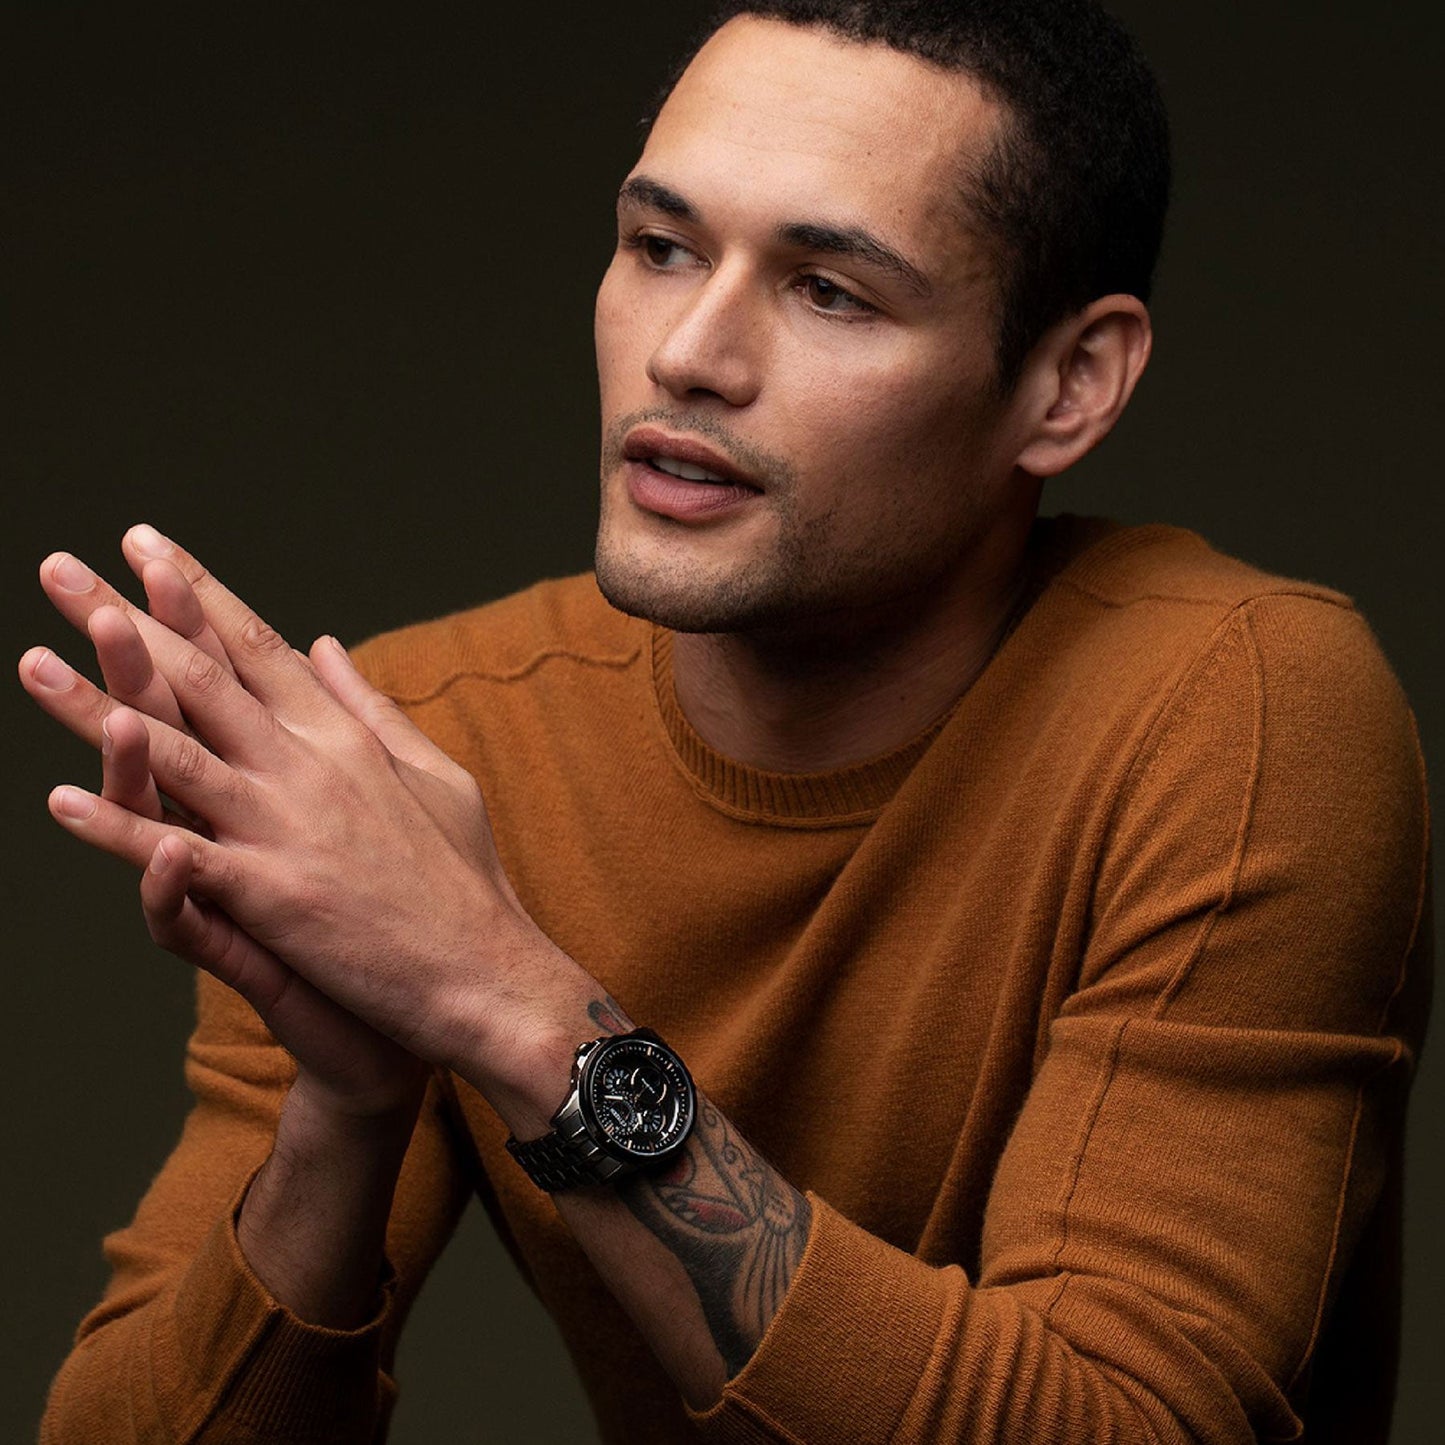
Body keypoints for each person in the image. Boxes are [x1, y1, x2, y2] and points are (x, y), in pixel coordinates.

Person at [21, 2, 1429, 1442]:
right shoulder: (420, 752)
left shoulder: (1242, 709)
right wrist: (347, 1102)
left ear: (1066, 385)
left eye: (829, 290)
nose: (688, 350)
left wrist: (509, 1006)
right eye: (659, 247)